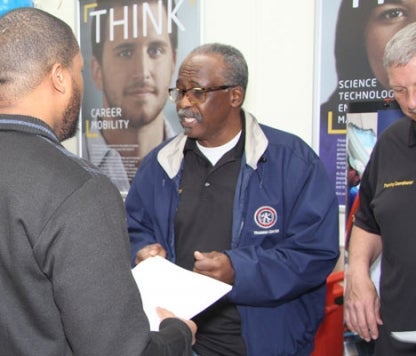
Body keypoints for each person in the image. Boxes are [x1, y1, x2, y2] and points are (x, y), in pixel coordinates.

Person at [0, 7, 195, 355]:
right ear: (59, 77)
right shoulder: (80, 191)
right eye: (78, 72)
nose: (81, 84)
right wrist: (178, 333)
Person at [126, 43, 339, 355]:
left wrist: (239, 271)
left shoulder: (292, 162)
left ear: (234, 96)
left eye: (197, 92)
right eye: (180, 91)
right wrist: (141, 250)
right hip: (180, 340)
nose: (184, 103)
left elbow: (314, 253)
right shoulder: (159, 164)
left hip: (264, 342)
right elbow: (132, 228)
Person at [344, 22, 416, 355]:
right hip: (399, 336)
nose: (411, 102)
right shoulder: (392, 143)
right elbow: (368, 221)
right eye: (399, 90)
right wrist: (357, 273)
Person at [319, 0, 416, 201]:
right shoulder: (388, 142)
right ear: (359, 32)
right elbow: (366, 225)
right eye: (394, 13)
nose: (411, 102)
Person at [83, 0, 179, 192]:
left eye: (155, 50)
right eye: (125, 52)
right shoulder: (71, 158)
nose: (143, 71)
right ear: (97, 71)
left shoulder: (192, 159)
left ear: (173, 63)